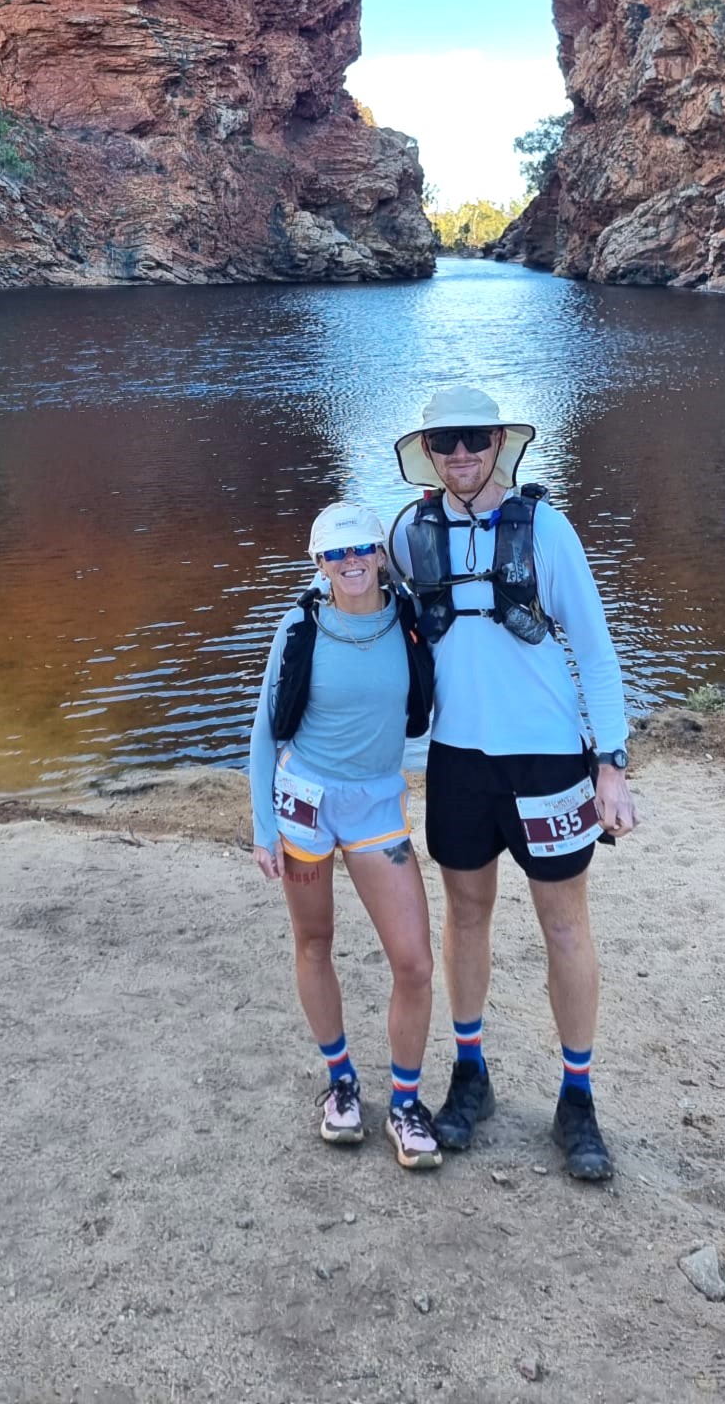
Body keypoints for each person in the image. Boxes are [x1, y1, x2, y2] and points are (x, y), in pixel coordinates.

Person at [388, 384, 637, 1182]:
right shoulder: (406, 532)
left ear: (500, 443)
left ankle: (577, 1096)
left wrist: (612, 761)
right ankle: (471, 1073)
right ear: (428, 452)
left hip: (546, 758)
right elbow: (358, 613)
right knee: (465, 918)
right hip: (456, 760)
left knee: (565, 925)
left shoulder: (547, 529)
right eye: (445, 441)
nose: (461, 454)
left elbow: (594, 649)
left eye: (475, 439)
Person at [249, 501, 442, 1170]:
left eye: (362, 548)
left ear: (381, 554)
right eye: (335, 554)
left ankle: (408, 1103)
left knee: (414, 961)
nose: (350, 562)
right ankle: (341, 1083)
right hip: (304, 803)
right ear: (317, 563)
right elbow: (265, 731)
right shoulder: (300, 626)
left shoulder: (412, 619)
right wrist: (263, 826)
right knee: (314, 942)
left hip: (377, 807)